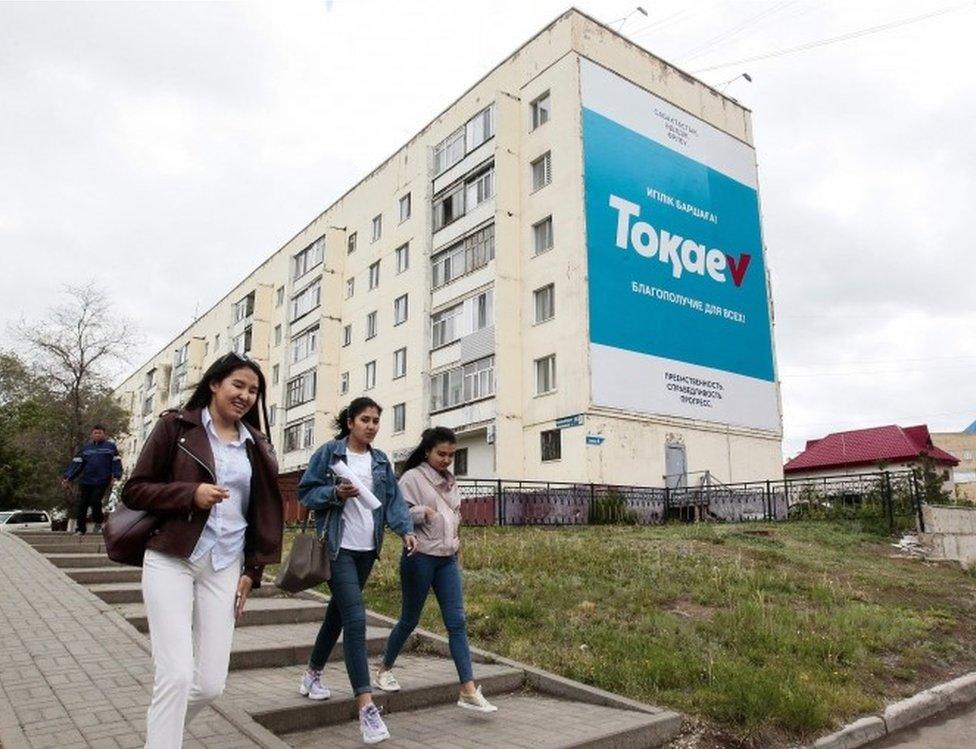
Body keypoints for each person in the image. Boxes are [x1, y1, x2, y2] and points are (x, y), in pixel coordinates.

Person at [122, 352, 283, 749]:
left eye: (254, 390)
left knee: (210, 684)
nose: (245, 396)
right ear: (214, 384)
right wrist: (189, 494)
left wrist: (253, 571)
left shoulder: (256, 444)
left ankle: (160, 737)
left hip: (225, 565)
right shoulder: (175, 427)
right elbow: (135, 489)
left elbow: (262, 510)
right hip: (171, 559)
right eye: (238, 385)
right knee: (175, 675)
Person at [298, 397, 417, 745]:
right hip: (337, 549)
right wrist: (335, 493)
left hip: (368, 550)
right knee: (356, 618)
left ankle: (312, 674)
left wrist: (405, 529)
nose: (371, 426)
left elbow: (392, 502)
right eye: (365, 419)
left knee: (337, 616)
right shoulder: (330, 454)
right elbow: (306, 493)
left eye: (376, 421)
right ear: (350, 422)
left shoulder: (380, 459)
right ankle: (366, 707)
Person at [374, 427, 497, 713]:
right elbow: (397, 515)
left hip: (447, 559)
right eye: (441, 454)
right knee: (409, 619)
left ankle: (467, 689)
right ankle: (384, 669)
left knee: (457, 622)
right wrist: (421, 513)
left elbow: (455, 518)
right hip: (420, 557)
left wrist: (458, 550)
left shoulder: (451, 481)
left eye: (451, 455)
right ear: (427, 451)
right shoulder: (412, 478)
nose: (446, 459)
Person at [61, 424, 123, 535]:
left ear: (104, 434)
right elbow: (77, 464)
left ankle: (99, 521)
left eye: (100, 433)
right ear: (92, 434)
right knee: (82, 504)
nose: (97, 435)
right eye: (95, 433)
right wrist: (68, 477)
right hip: (86, 480)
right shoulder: (86, 448)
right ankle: (80, 529)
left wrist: (116, 475)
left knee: (95, 501)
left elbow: (116, 462)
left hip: (102, 480)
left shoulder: (110, 447)